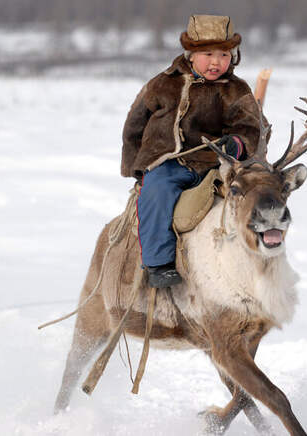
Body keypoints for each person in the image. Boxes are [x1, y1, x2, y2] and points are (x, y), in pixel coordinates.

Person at [120, 14, 265, 288]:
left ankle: (247, 260)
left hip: (214, 164)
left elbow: (252, 128)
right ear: (190, 54)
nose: (216, 62)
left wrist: (237, 144)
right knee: (157, 191)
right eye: (207, 54)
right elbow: (134, 125)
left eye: (224, 54)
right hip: (168, 162)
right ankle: (158, 263)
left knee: (246, 197)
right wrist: (136, 167)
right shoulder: (163, 84)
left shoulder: (236, 91)